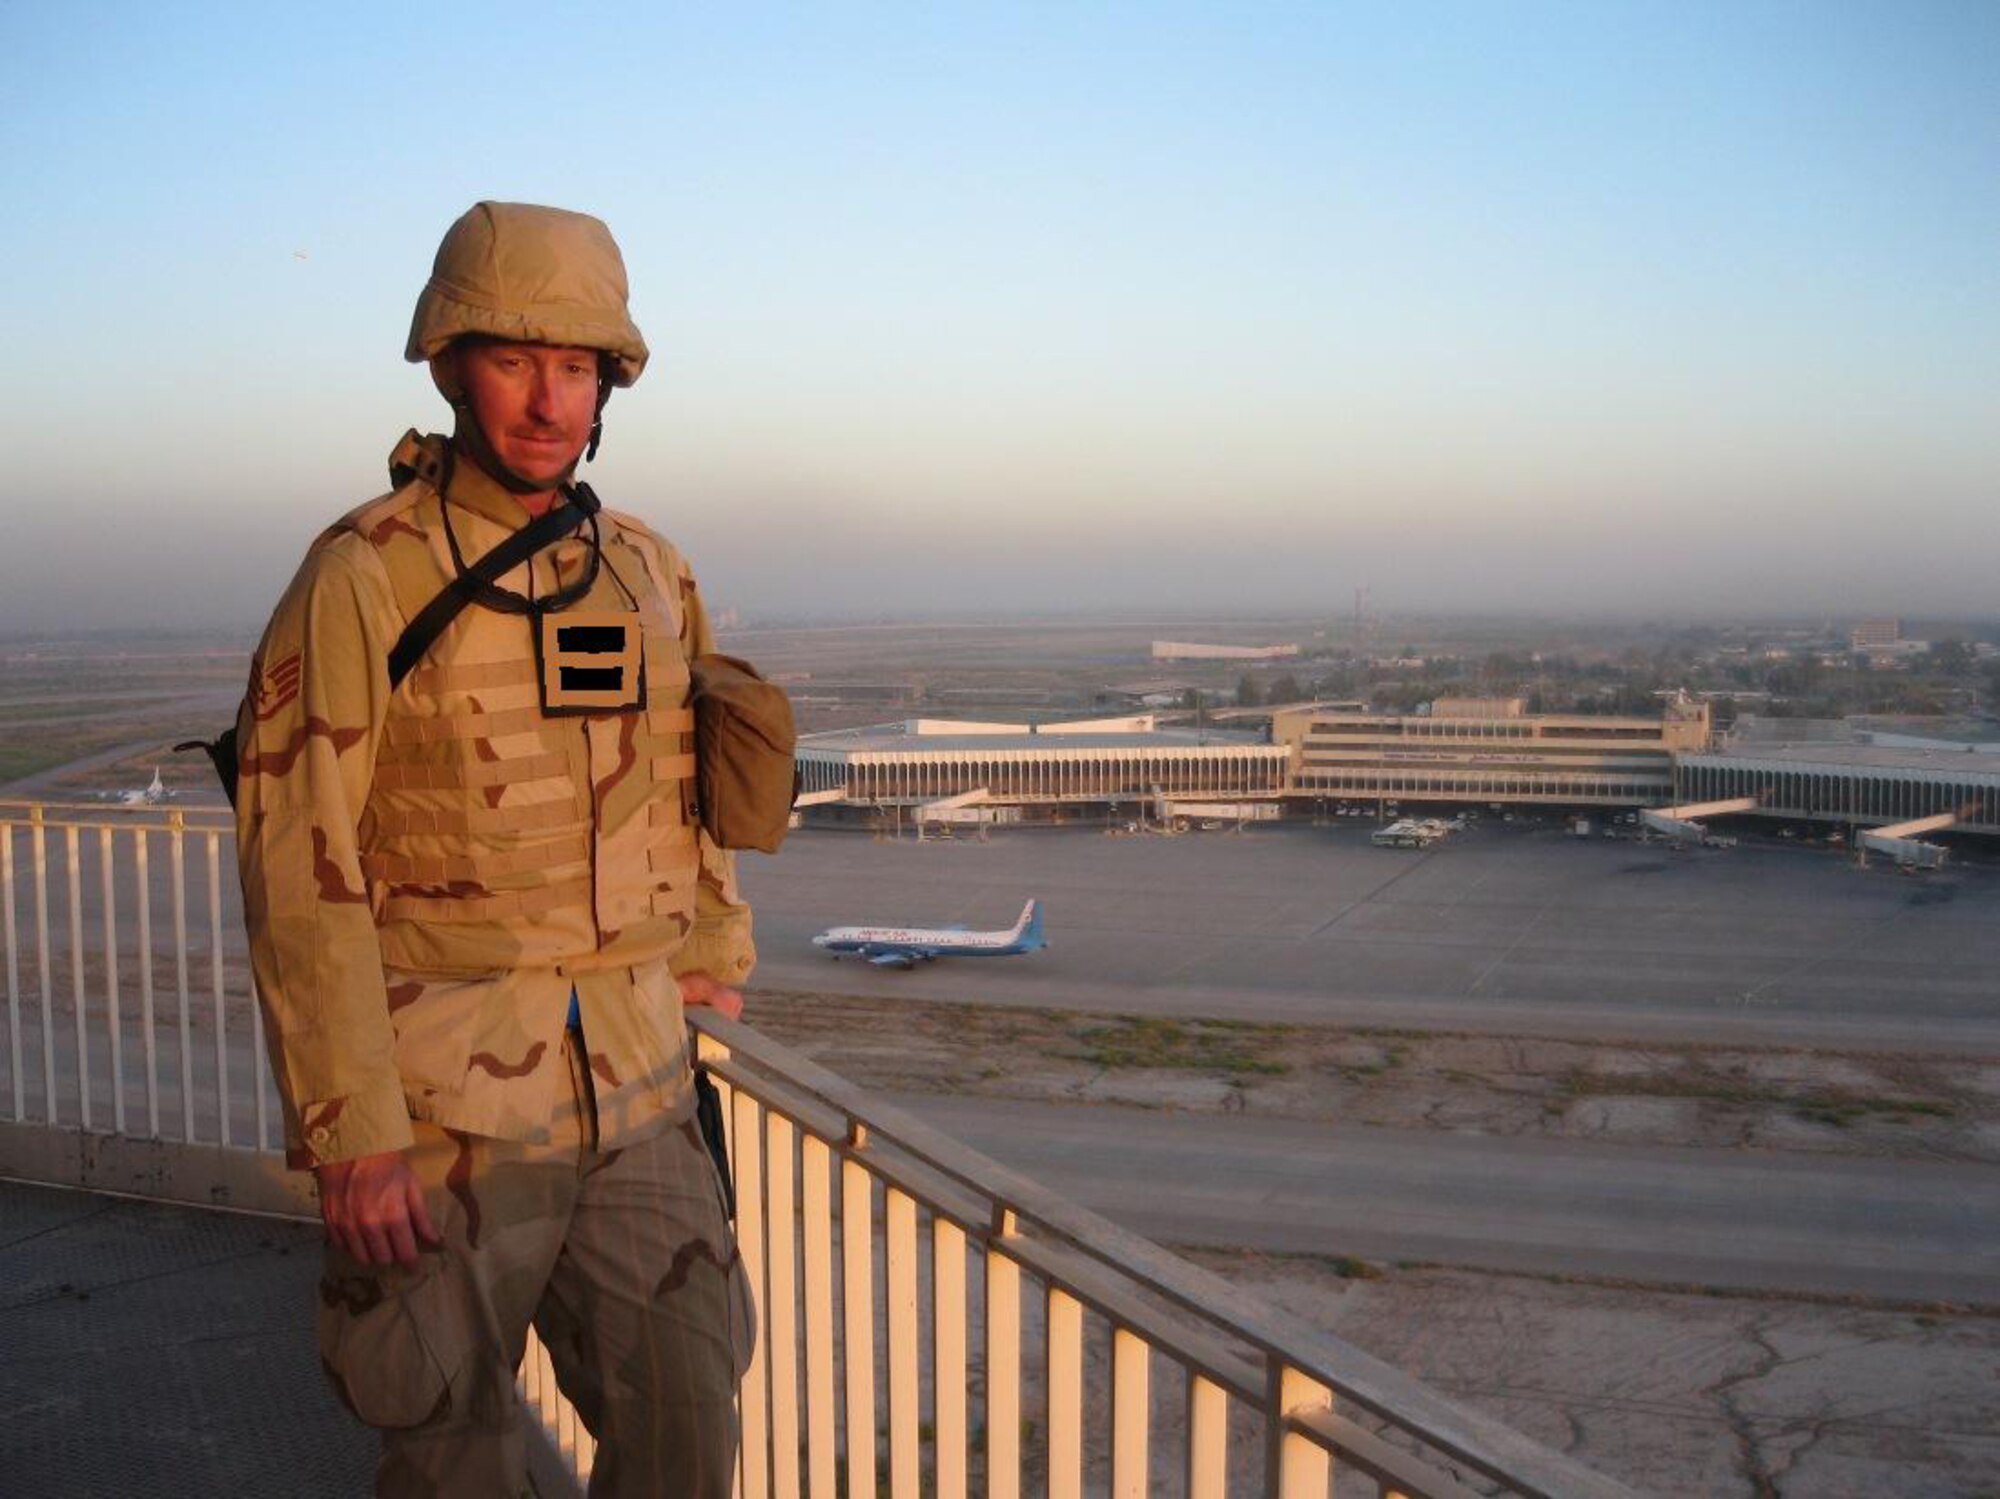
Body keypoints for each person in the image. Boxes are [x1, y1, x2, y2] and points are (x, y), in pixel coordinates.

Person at [235, 201, 756, 1497]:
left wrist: (707, 945)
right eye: (516, 359)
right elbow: (298, 862)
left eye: (575, 366)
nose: (548, 400)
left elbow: (688, 779)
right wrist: (348, 1128)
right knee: (453, 1451)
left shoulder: (645, 569)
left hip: (639, 1085)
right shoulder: (366, 577)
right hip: (441, 1110)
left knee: (691, 1422)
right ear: (452, 364)